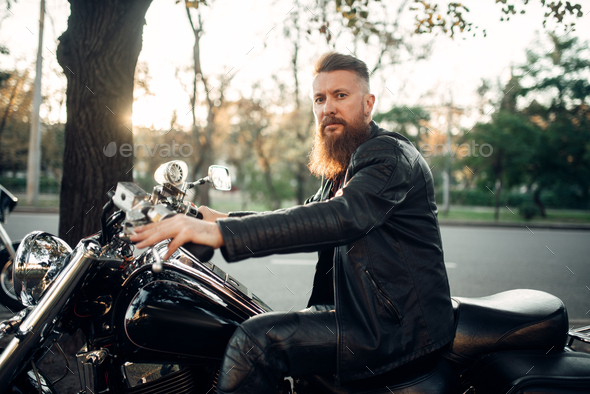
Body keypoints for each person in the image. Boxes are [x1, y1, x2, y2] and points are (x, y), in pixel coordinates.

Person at [131, 52, 455, 394]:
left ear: (368, 103)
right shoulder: (344, 168)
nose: (328, 107)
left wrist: (219, 233)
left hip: (392, 327)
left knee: (256, 343)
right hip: (361, 314)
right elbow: (308, 214)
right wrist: (220, 218)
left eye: (340, 96)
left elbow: (342, 216)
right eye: (320, 98)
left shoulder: (388, 156)